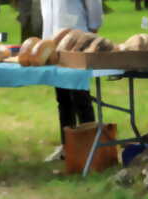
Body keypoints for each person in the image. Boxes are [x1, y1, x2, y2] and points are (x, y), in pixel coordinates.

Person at [40, 0, 103, 160]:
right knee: (63, 99)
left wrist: (92, 30)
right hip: (53, 45)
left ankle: (90, 149)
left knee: (80, 97)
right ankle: (67, 147)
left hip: (77, 42)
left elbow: (94, 4)